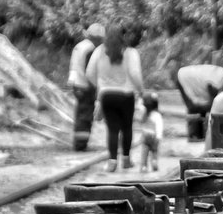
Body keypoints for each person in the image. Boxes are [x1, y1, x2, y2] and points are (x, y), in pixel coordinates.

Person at [85, 22, 144, 172]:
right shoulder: (130, 52)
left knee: (112, 129)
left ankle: (112, 162)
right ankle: (126, 159)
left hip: (106, 95)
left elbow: (89, 73)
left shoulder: (100, 51)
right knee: (127, 127)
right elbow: (135, 73)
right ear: (124, 35)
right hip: (126, 94)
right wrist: (141, 90)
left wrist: (100, 86)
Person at [175, 63, 223, 141]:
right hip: (183, 78)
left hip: (192, 77)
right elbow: (213, 105)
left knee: (203, 107)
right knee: (193, 107)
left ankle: (201, 134)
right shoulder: (215, 83)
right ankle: (194, 136)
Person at [68, 22, 105, 150]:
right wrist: (95, 88)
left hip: (77, 84)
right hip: (85, 86)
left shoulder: (79, 46)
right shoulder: (91, 49)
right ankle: (81, 145)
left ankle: (79, 143)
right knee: (85, 117)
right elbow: (90, 72)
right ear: (97, 38)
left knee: (80, 115)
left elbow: (74, 66)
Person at [139, 90, 164, 173]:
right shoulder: (157, 115)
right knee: (154, 151)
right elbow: (159, 127)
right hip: (154, 136)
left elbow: (140, 105)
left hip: (145, 135)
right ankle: (154, 162)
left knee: (144, 152)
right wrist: (159, 137)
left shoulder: (144, 113)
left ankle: (144, 166)